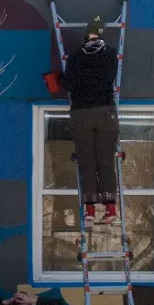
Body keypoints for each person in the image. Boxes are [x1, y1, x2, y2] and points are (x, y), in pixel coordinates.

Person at [63, 15, 120, 228]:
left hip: (81, 113)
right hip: (106, 112)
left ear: (86, 35)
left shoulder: (75, 57)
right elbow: (110, 76)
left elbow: (68, 85)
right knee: (105, 161)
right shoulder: (111, 54)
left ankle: (89, 211)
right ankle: (111, 210)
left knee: (87, 162)